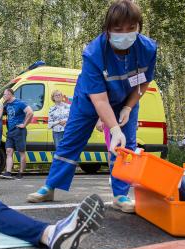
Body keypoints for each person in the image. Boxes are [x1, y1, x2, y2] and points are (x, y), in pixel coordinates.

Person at [27, 0, 157, 214]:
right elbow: (100, 100)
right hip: (88, 101)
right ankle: (49, 187)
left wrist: (128, 107)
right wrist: (113, 129)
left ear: (139, 26)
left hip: (125, 101)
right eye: (118, 30)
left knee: (125, 147)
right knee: (71, 140)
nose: (125, 34)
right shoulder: (94, 53)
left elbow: (143, 82)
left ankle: (120, 195)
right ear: (107, 30)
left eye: (131, 28)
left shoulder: (148, 49)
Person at [0, 88, 34, 180]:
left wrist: (24, 124)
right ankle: (8, 172)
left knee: (21, 152)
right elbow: (0, 113)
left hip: (19, 130)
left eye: (5, 94)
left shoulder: (20, 103)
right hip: (10, 131)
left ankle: (21, 172)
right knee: (9, 151)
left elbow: (30, 112)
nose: (4, 96)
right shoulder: (7, 104)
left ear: (10, 94)